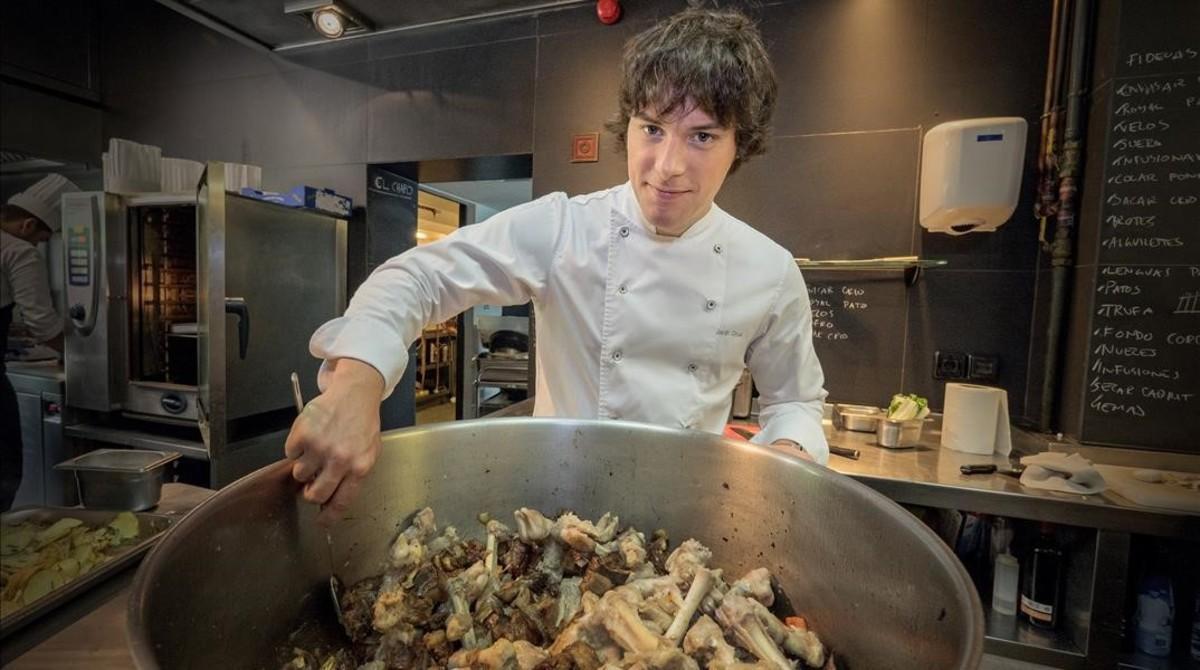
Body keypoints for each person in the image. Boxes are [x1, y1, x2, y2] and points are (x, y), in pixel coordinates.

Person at [286, 8, 828, 523]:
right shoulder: (565, 229)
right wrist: (356, 382)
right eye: (652, 129)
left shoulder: (769, 270)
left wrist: (787, 452)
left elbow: (795, 401)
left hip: (692, 515)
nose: (667, 167)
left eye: (703, 136)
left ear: (742, 144)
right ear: (629, 127)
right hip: (558, 510)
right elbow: (419, 276)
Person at [1, 174, 79, 511]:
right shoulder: (19, 251)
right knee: (4, 473)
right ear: (28, 224)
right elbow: (42, 323)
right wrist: (77, 357)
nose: (38, 247)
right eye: (41, 239)